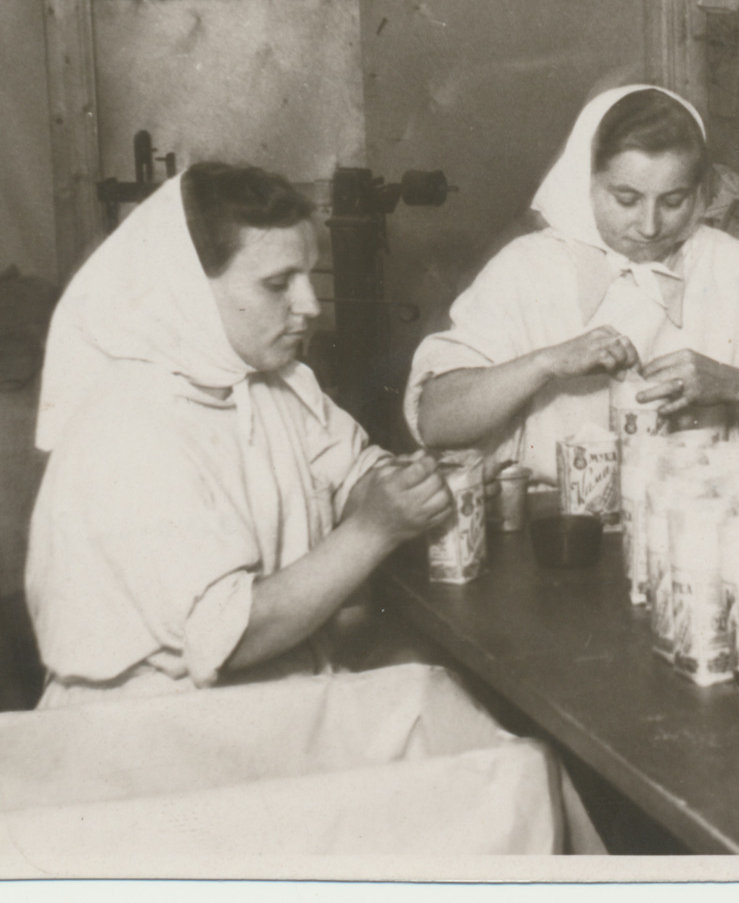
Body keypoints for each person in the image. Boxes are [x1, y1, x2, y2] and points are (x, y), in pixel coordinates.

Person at [26, 163, 454, 707]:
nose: (310, 305)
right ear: (186, 290)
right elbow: (228, 638)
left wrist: (402, 489)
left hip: (261, 694)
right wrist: (374, 530)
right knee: (500, 760)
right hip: (155, 729)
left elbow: (353, 471)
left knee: (455, 706)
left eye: (308, 276)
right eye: (278, 284)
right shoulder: (127, 430)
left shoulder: (267, 382)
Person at [407, 85, 739, 476]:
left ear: (699, 191)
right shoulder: (527, 268)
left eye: (673, 201)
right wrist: (546, 363)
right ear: (587, 182)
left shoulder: (731, 266)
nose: (650, 227)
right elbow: (434, 420)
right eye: (627, 199)